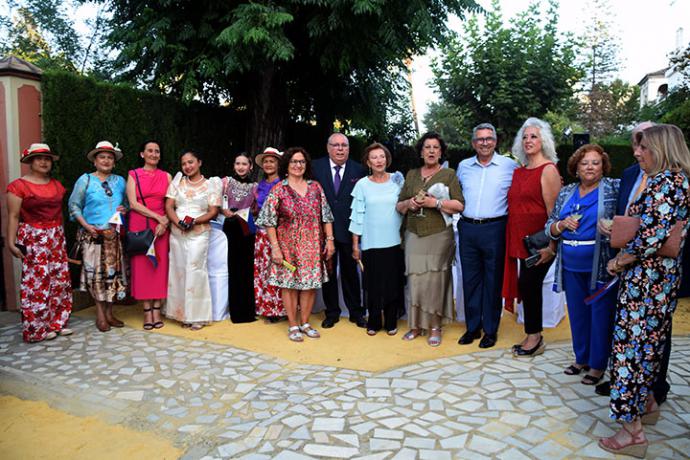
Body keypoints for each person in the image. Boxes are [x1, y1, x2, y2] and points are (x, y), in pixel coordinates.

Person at [598, 124, 690, 458]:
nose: (637, 153)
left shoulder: (667, 182)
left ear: (661, 148)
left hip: (645, 283)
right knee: (648, 349)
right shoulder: (679, 180)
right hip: (660, 281)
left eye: (643, 148)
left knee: (629, 352)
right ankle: (646, 405)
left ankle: (631, 432)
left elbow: (651, 237)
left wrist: (620, 260)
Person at [545, 144, 618, 384]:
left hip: (600, 264)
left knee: (600, 315)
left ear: (603, 167)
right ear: (576, 168)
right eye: (584, 163)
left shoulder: (613, 189)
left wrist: (613, 227)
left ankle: (597, 365)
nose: (590, 167)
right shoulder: (566, 192)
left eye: (596, 162)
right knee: (577, 314)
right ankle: (581, 358)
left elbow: (630, 216)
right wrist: (562, 225)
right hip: (570, 264)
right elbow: (550, 226)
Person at [256, 147, 335, 342]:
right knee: (289, 286)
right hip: (287, 248)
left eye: (301, 162)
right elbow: (268, 220)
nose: (298, 165)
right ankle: (293, 325)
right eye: (294, 162)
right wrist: (275, 247)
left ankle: (305, 323)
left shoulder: (316, 187)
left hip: (312, 246)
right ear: (287, 165)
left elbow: (326, 216)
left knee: (309, 286)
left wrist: (330, 240)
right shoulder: (279, 189)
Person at [396, 132, 464, 347]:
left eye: (436, 147)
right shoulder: (412, 174)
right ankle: (416, 325)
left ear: (441, 152)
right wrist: (410, 204)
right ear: (421, 151)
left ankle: (435, 325)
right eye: (427, 147)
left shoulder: (449, 174)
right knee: (416, 280)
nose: (432, 151)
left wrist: (435, 203)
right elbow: (399, 206)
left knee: (435, 281)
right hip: (414, 234)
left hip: (439, 235)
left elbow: (460, 205)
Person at [502, 118, 561, 357]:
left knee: (529, 286)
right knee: (527, 287)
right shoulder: (519, 171)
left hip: (539, 244)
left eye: (534, 136)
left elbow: (554, 214)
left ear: (543, 141)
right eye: (525, 137)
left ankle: (535, 338)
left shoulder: (548, 170)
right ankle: (532, 334)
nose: (528, 141)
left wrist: (552, 247)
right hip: (519, 240)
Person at [456, 123, 518, 348]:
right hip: (468, 227)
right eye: (480, 139)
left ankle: (490, 330)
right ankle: (473, 327)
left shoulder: (509, 166)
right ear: (473, 143)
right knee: (470, 280)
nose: (484, 143)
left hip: (496, 228)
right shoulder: (463, 166)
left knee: (493, 280)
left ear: (495, 141)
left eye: (489, 138)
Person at [6, 143, 73, 342]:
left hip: (55, 236)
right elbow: (13, 216)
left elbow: (59, 213)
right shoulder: (18, 186)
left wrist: (61, 239)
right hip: (33, 236)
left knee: (59, 280)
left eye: (47, 159)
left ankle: (57, 323)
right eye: (39, 158)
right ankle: (36, 329)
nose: (44, 162)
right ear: (30, 162)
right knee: (37, 283)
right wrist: (11, 242)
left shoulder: (57, 185)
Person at [68, 141, 128, 332]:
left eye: (110, 157)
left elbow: (127, 203)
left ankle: (110, 313)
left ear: (114, 162)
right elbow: (74, 206)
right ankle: (100, 315)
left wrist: (124, 209)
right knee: (96, 277)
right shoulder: (85, 180)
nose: (106, 160)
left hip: (113, 236)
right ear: (95, 160)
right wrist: (86, 226)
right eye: (102, 157)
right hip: (92, 235)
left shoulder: (120, 181)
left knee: (111, 276)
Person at [349, 143, 405, 336]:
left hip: (395, 241)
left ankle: (391, 321)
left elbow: (406, 209)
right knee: (372, 284)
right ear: (368, 162)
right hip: (371, 242)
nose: (379, 160)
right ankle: (373, 321)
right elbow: (357, 216)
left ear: (387, 159)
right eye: (374, 157)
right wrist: (355, 245)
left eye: (382, 156)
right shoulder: (362, 185)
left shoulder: (398, 181)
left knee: (392, 283)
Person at [312, 133, 366, 328]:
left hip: (348, 229)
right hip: (321, 231)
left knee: (351, 273)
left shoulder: (358, 170)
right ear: (328, 148)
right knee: (328, 273)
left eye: (344, 145)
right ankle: (332, 312)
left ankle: (356, 312)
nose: (340, 149)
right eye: (336, 145)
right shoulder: (314, 167)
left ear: (349, 149)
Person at [164, 150, 221, 330]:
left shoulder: (211, 184)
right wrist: (177, 222)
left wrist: (194, 221)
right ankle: (181, 313)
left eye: (191, 162)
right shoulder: (177, 182)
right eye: (184, 164)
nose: (187, 166)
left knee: (196, 270)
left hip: (199, 232)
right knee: (178, 270)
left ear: (199, 162)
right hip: (177, 232)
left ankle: (197, 316)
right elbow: (169, 206)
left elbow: (213, 211)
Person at [126, 140, 172, 330]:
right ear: (142, 154)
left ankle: (156, 309)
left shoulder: (167, 176)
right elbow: (133, 203)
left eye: (157, 151)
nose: (153, 154)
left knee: (160, 267)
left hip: (162, 225)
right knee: (142, 266)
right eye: (150, 151)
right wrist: (158, 218)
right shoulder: (133, 175)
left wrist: (165, 221)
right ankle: (146, 311)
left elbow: (172, 204)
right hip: (141, 223)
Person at [221, 152, 257, 323]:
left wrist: (248, 212)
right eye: (238, 163)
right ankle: (235, 312)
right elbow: (216, 201)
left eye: (244, 164)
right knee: (233, 268)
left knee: (246, 269)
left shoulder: (256, 187)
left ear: (250, 166)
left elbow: (257, 209)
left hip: (247, 229)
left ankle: (248, 312)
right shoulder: (226, 182)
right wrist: (223, 210)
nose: (241, 167)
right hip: (230, 227)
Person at [253, 147, 285, 322]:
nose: (268, 164)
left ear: (278, 164)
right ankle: (262, 305)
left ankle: (277, 308)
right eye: (265, 161)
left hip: (278, 233)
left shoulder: (283, 184)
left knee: (277, 270)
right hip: (261, 232)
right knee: (262, 269)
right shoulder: (259, 186)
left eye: (272, 161)